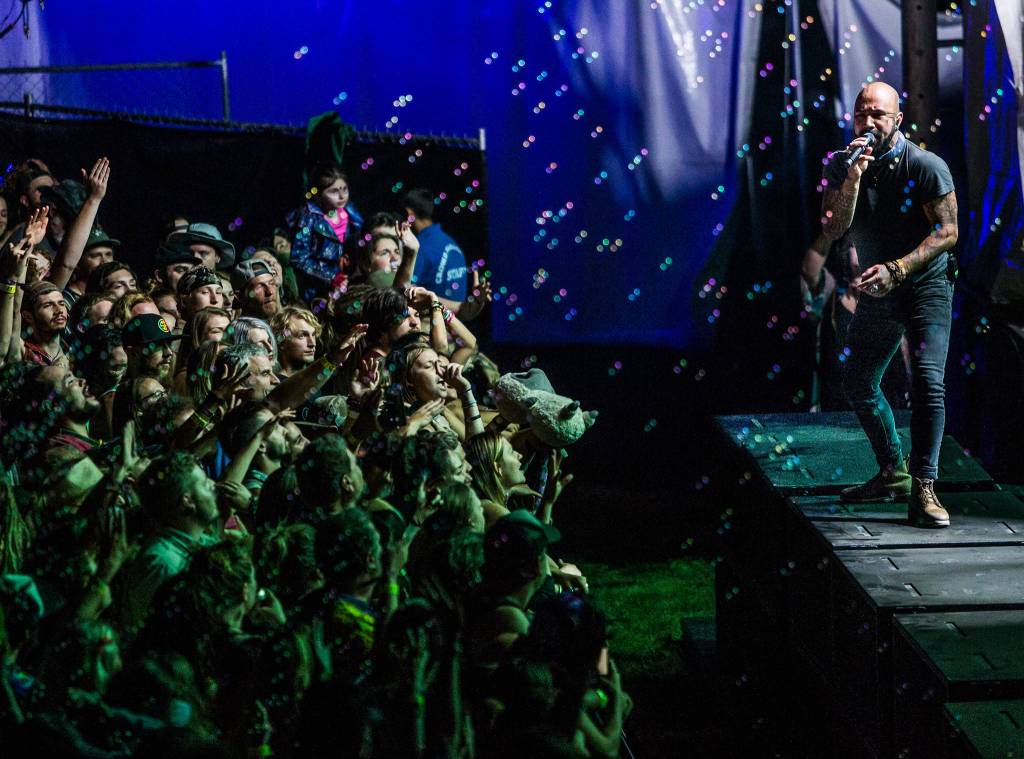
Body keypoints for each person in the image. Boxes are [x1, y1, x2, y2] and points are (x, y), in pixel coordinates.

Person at [820, 82, 958, 527]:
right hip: (880, 290)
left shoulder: (925, 165)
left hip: (925, 286)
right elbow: (834, 229)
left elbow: (947, 232)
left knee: (928, 384)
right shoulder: (841, 165)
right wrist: (852, 179)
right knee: (859, 381)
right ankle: (892, 472)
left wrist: (897, 269)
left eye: (878, 114)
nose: (868, 122)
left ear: (897, 120)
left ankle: (924, 487)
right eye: (861, 114)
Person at [116, 452, 219, 632]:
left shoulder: (204, 542)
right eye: (204, 483)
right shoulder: (163, 564)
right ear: (187, 500)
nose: (213, 485)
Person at [287, 162, 362, 298]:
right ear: (318, 195)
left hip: (350, 284)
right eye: (334, 191)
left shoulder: (350, 211)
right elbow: (299, 258)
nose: (342, 196)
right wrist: (332, 276)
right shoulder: (308, 218)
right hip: (318, 292)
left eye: (344, 189)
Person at [402, 187, 469, 310]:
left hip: (435, 318)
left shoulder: (420, 247)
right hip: (459, 318)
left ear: (409, 213)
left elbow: (404, 290)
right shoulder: (450, 242)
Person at [167, 222, 236, 272]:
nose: (195, 259)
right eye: (190, 253)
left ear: (217, 257)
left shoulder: (226, 287)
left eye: (203, 253)